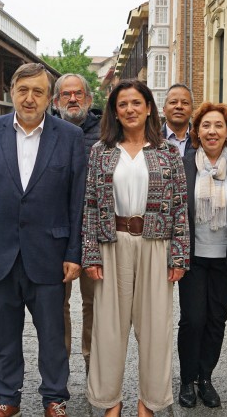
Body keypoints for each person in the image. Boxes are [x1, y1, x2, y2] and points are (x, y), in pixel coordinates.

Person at [0, 63, 86, 417]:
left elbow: (78, 201)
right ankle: (7, 398)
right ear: (11, 92)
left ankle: (54, 398)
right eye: (23, 90)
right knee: (4, 335)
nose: (30, 98)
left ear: (50, 98)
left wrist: (75, 252)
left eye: (38, 92)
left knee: (52, 335)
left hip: (50, 254)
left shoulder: (70, 137)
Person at [82, 79, 189, 417]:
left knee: (156, 327)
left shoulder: (168, 152)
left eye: (136, 103)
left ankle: (150, 404)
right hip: (112, 243)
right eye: (123, 104)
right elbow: (89, 205)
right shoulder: (101, 150)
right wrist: (91, 253)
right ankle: (109, 403)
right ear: (115, 110)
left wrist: (180, 255)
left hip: (156, 244)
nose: (129, 109)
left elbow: (180, 207)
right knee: (108, 328)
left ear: (147, 108)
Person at [177, 102, 227, 408]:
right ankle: (186, 379)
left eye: (219, 126)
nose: (212, 131)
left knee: (216, 320)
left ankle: (205, 377)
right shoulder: (182, 165)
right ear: (197, 132)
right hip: (193, 259)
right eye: (206, 126)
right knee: (193, 320)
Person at [52, 73, 99, 372]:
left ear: (89, 99)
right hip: (57, 234)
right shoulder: (47, 132)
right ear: (55, 102)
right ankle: (61, 364)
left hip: (96, 233)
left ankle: (93, 361)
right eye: (66, 95)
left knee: (95, 303)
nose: (72, 99)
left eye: (78, 94)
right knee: (58, 304)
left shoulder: (108, 131)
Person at [161, 84, 193, 156]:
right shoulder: (152, 140)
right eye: (173, 102)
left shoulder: (200, 140)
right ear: (164, 110)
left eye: (185, 103)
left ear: (192, 110)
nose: (179, 106)